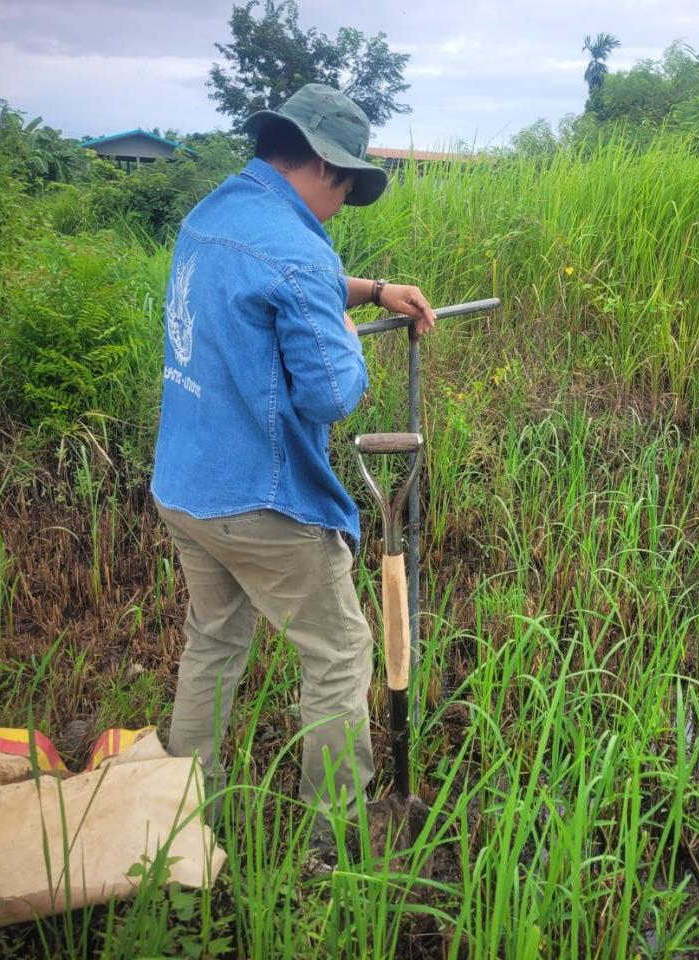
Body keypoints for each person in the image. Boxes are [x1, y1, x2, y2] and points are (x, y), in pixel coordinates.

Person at [149, 83, 437, 859]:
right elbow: (332, 392)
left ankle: (179, 815)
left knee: (212, 640)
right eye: (344, 188)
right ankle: (331, 837)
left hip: (185, 484)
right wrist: (345, 333)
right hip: (260, 497)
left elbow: (269, 283)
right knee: (340, 652)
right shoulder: (300, 244)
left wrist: (372, 290)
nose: (338, 207)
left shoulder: (210, 216)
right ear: (324, 168)